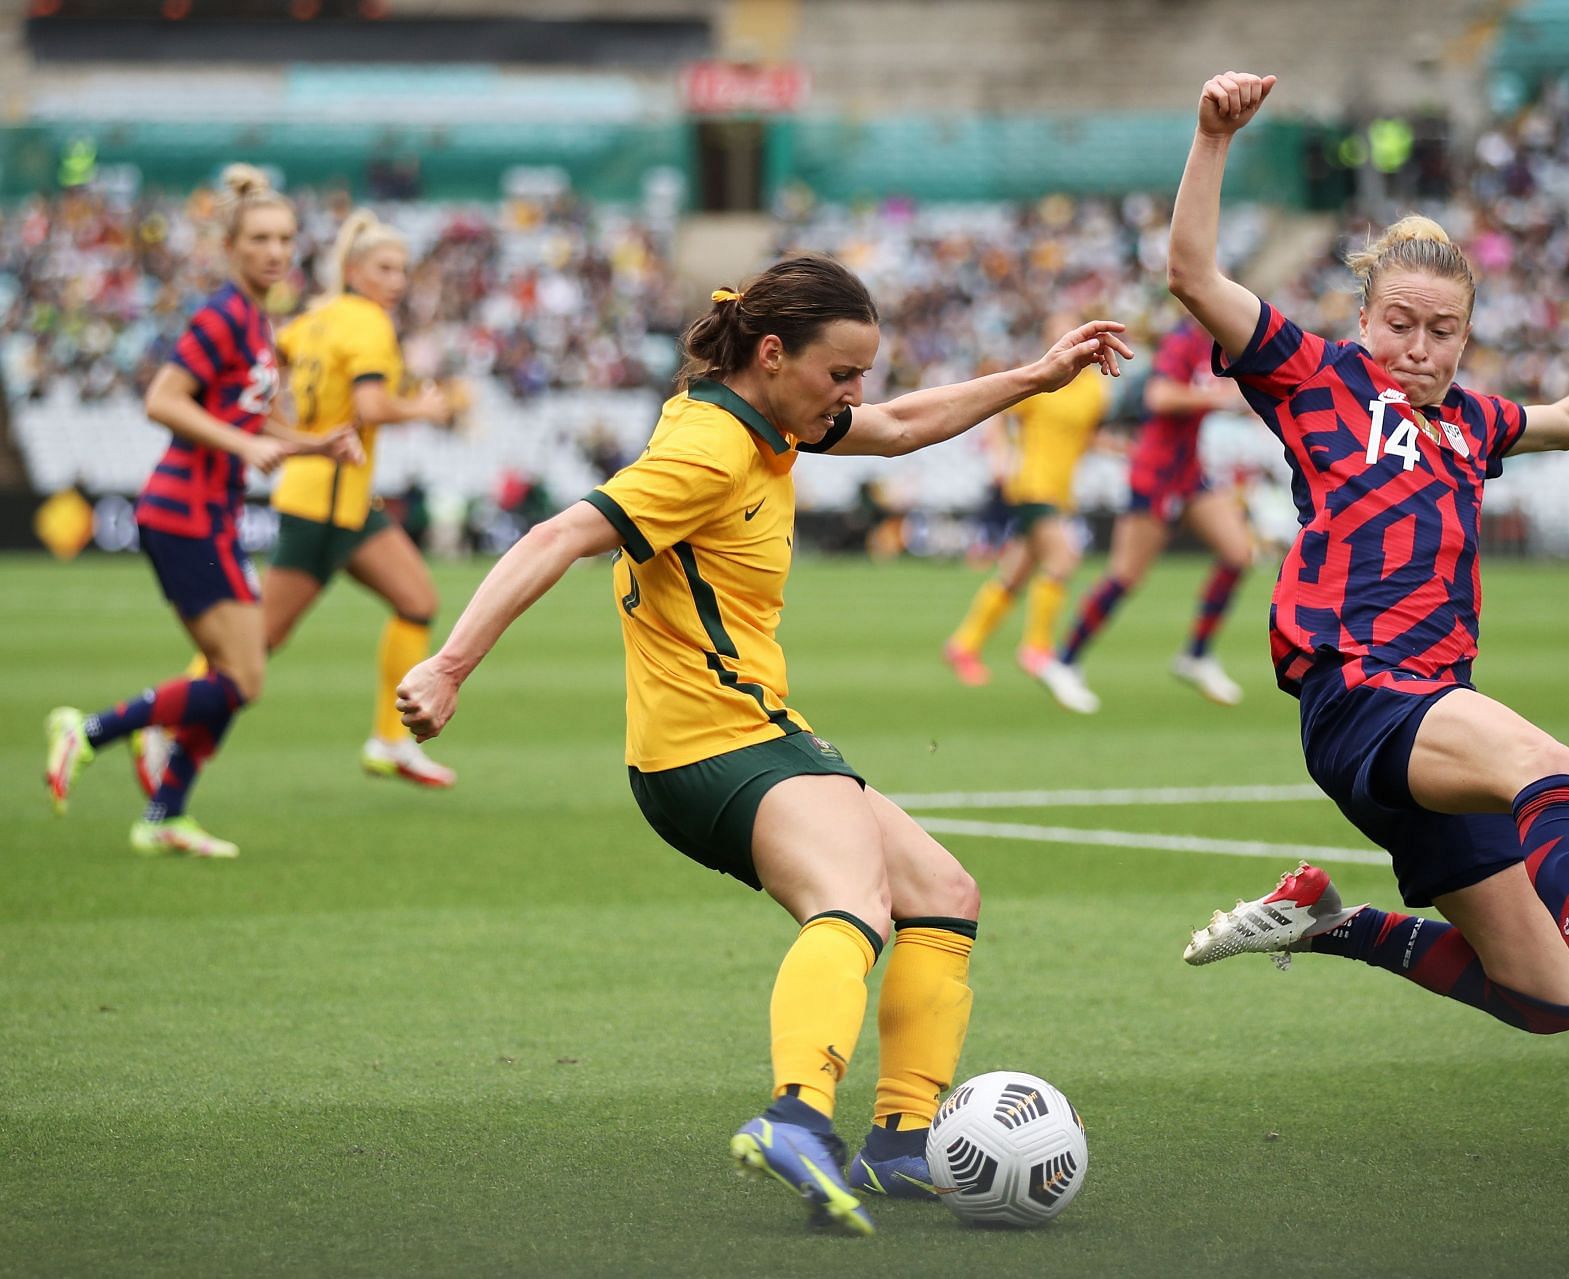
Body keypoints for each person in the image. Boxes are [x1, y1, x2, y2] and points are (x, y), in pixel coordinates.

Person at [392, 257, 1129, 1234]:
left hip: (755, 732)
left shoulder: (764, 417)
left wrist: (1032, 378)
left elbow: (903, 427)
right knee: (851, 901)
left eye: (861, 374)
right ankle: (796, 1118)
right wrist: (449, 665)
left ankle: (902, 1147)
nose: (855, 395)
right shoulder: (707, 449)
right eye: (841, 373)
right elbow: (557, 535)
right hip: (711, 744)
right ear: (773, 353)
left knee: (943, 896)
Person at [1171, 73, 1569, 1081]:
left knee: (1540, 996)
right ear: (1364, 317)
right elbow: (1193, 273)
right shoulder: (1318, 378)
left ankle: (1329, 923)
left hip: (1427, 717)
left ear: (1467, 334)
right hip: (1364, 693)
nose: (1417, 348)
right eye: (1399, 323)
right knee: (1547, 763)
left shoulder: (1471, 423)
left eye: (1442, 330)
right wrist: (1211, 136)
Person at [44, 164, 359, 858]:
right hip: (184, 511)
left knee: (232, 678)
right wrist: (248, 446)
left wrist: (315, 445)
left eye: (284, 239)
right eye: (261, 239)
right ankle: (92, 733)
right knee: (242, 676)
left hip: (205, 514)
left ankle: (163, 813)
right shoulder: (221, 315)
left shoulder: (257, 321)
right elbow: (163, 398)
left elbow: (251, 417)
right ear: (233, 247)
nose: (276, 251)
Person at [262, 209, 461, 786]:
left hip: (342, 499)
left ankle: (391, 741)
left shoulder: (317, 317)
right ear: (355, 269)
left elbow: (270, 357)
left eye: (402, 269)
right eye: (385, 268)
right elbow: (372, 407)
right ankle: (163, 725)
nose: (397, 280)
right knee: (253, 647)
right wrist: (423, 407)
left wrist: (286, 424)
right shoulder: (369, 323)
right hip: (323, 501)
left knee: (417, 599)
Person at [1034, 311, 1255, 714]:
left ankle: (1197, 654)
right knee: (1125, 575)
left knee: (1239, 553)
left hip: (1189, 472)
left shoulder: (1214, 345)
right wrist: (1217, 399)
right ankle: (1063, 661)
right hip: (1156, 473)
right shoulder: (1182, 342)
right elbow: (1160, 396)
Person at [942, 316, 1111, 685]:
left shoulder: (1096, 390)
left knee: (1015, 574)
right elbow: (1000, 414)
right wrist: (1000, 456)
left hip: (1061, 490)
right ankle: (1036, 647)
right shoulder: (1043, 376)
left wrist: (1124, 450)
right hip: (1033, 485)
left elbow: (1086, 437)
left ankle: (963, 644)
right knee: (1064, 558)